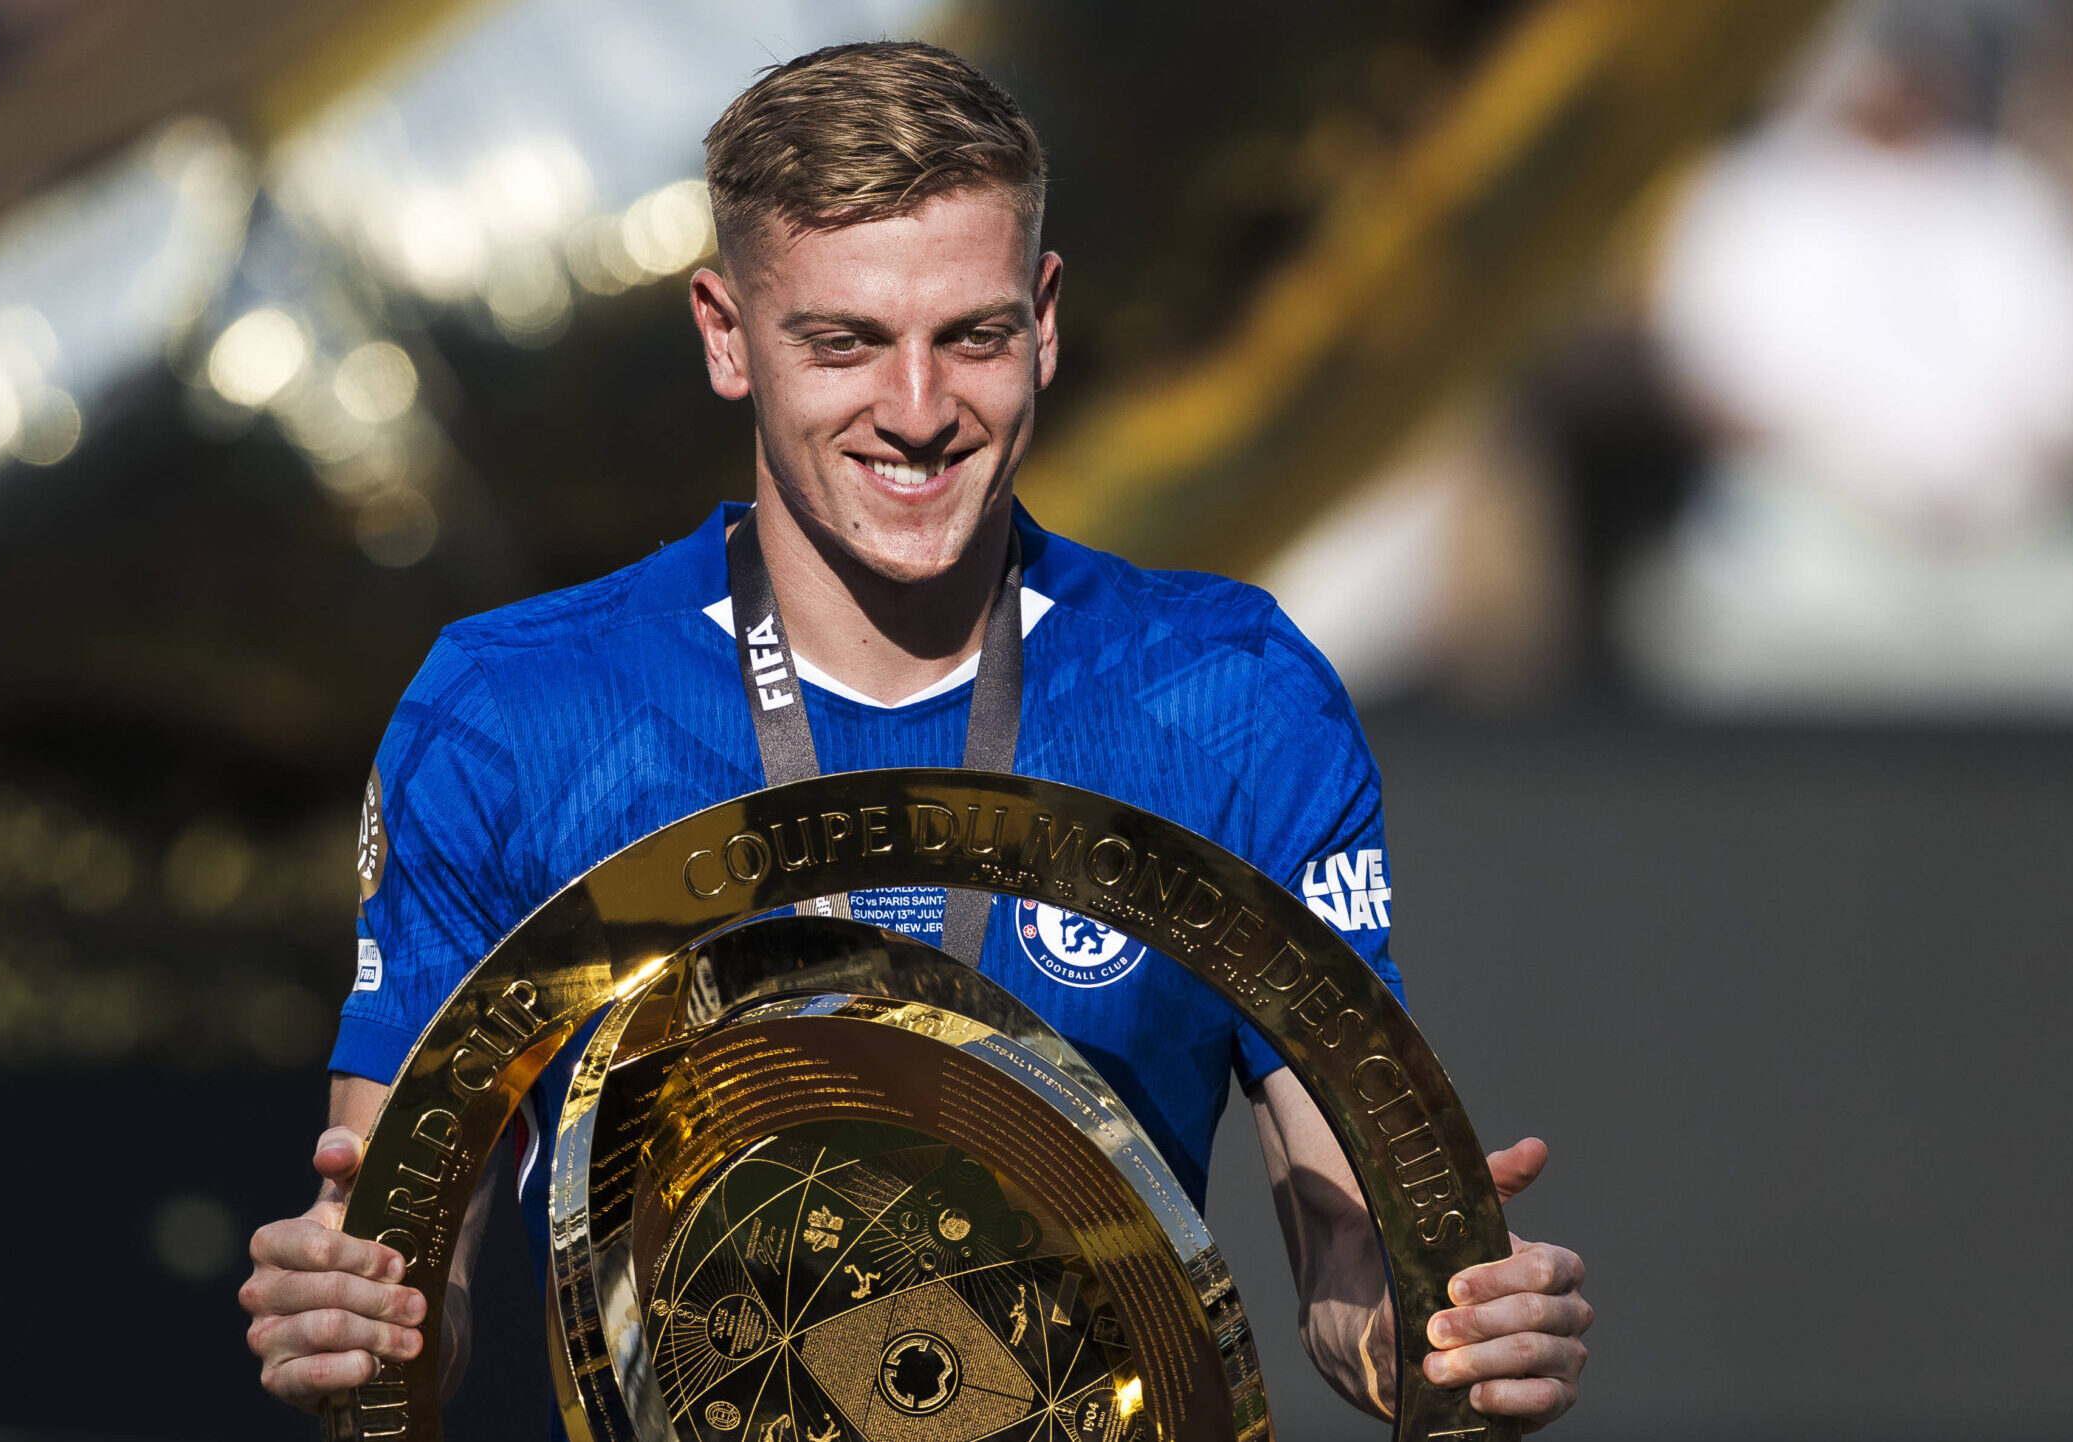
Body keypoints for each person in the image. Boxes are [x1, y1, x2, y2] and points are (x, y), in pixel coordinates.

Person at [240, 40, 1591, 1432]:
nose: (918, 411)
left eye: (972, 336)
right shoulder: (510, 710)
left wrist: (1450, 1335)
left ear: (1045, 319)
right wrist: (348, 1318)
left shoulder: (1230, 692)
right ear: (724, 332)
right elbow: (410, 1266)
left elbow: (1355, 1264)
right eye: (844, 343)